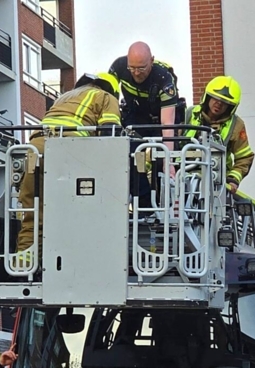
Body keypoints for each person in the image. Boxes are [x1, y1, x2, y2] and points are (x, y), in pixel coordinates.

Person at [15, 73, 121, 268]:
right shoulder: (106, 97)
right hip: (68, 151)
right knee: (76, 209)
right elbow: (110, 135)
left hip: (35, 151)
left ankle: (24, 263)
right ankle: (73, 263)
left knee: (33, 211)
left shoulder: (63, 98)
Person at [187, 75, 254, 194]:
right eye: (215, 99)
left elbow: (245, 157)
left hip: (216, 183)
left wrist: (233, 179)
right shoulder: (188, 114)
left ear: (231, 107)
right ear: (207, 97)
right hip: (182, 174)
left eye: (225, 102)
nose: (219, 104)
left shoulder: (236, 125)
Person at [109, 42, 182, 129]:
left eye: (141, 68)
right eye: (131, 68)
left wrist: (167, 142)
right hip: (134, 114)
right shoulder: (119, 66)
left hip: (159, 117)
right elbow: (106, 98)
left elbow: (167, 124)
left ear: (151, 61)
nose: (136, 73)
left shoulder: (163, 77)